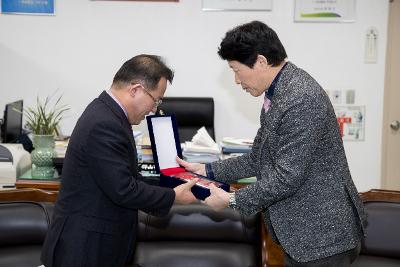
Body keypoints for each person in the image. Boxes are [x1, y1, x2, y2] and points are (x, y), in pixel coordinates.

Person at [177, 21, 366, 266]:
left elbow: (286, 178)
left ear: (261, 62)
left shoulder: (301, 98)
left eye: (236, 70)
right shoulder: (278, 91)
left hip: (323, 238)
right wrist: (206, 170)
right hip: (304, 236)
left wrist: (231, 199)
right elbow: (259, 157)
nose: (236, 80)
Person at [41, 55, 198, 267]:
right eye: (156, 99)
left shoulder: (108, 114)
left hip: (97, 244)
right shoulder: (104, 124)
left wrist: (173, 181)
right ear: (136, 89)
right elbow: (124, 189)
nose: (154, 109)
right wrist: (172, 196)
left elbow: (128, 177)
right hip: (84, 249)